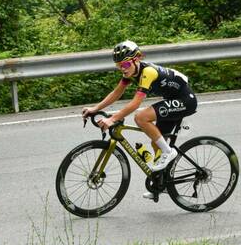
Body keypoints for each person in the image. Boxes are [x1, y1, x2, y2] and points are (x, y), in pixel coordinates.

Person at [82, 40, 197, 199]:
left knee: (141, 117)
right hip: (171, 99)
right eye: (119, 65)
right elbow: (116, 93)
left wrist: (113, 119)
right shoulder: (131, 72)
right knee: (155, 141)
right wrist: (95, 109)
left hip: (186, 100)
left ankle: (168, 152)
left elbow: (136, 103)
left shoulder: (147, 72)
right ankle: (161, 183)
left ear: (136, 60)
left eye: (126, 64)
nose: (122, 68)